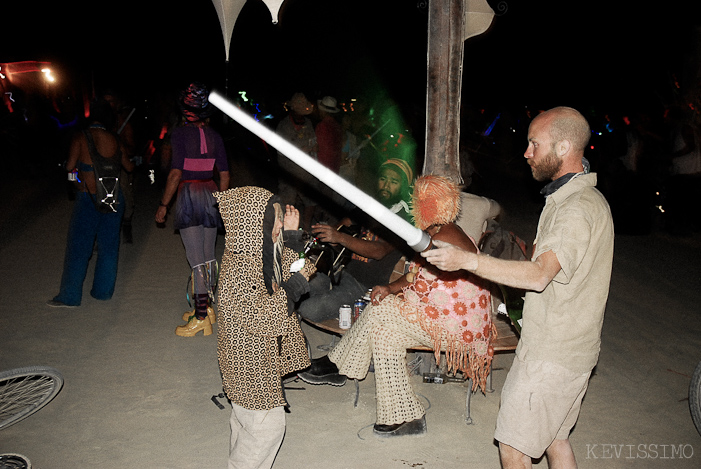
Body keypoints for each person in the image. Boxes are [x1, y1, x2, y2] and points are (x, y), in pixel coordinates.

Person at [422, 107, 615, 468]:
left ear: (564, 147)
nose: (526, 153)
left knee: (513, 449)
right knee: (557, 440)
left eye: (534, 144)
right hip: (573, 350)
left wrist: (469, 261)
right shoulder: (576, 199)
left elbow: (540, 275)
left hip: (552, 355)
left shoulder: (575, 208)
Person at [298, 175, 495, 438]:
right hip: (441, 316)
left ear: (428, 206)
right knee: (384, 333)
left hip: (459, 327)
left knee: (381, 310)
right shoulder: (434, 232)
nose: (413, 207)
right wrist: (390, 288)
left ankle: (338, 365)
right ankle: (405, 417)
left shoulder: (444, 237)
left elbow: (428, 285)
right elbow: (416, 275)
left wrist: (394, 297)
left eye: (417, 202)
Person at [213, 187, 315, 469]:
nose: (280, 224)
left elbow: (285, 268)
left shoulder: (256, 252)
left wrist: (292, 237)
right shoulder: (240, 270)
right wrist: (298, 281)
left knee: (246, 422)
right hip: (249, 364)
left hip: (255, 359)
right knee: (266, 429)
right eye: (275, 219)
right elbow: (266, 318)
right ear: (252, 223)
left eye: (280, 218)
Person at [296, 158, 415, 323]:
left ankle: (355, 310)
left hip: (363, 285)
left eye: (394, 182)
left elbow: (379, 251)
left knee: (309, 309)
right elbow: (346, 222)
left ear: (403, 187)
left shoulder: (404, 219)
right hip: (340, 272)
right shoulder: (373, 206)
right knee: (297, 283)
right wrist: (329, 235)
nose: (386, 185)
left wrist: (339, 237)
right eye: (383, 179)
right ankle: (333, 300)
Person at [155, 82, 230, 337]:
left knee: (196, 259)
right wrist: (220, 200)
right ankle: (207, 307)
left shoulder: (179, 134)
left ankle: (200, 318)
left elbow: (175, 173)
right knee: (209, 255)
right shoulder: (215, 136)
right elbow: (225, 174)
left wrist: (164, 205)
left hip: (189, 193)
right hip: (210, 192)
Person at [48, 98, 135, 307]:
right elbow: (130, 168)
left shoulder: (81, 137)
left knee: (79, 248)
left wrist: (77, 179)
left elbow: (70, 167)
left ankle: (70, 296)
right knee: (109, 247)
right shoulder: (115, 139)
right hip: (113, 197)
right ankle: (102, 292)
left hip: (88, 197)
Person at [276, 92, 318, 231]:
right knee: (287, 203)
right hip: (289, 172)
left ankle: (306, 229)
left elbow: (314, 142)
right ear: (292, 109)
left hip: (306, 171)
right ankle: (286, 231)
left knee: (311, 200)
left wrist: (313, 148)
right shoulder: (284, 126)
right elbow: (281, 150)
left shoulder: (308, 124)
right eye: (298, 110)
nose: (301, 114)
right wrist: (302, 149)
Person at [315, 96, 343, 173]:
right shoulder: (338, 126)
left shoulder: (322, 126)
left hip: (323, 167)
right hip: (335, 166)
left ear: (324, 111)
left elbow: (318, 147)